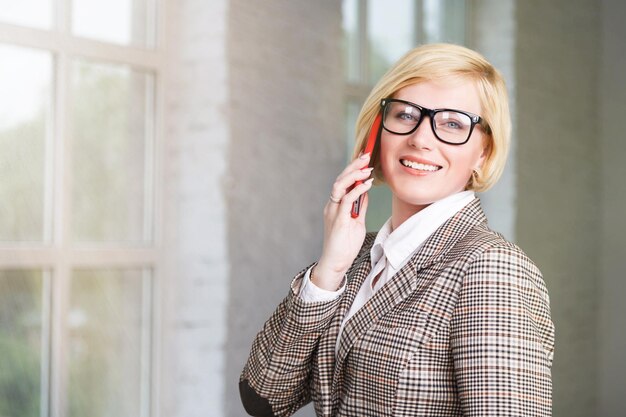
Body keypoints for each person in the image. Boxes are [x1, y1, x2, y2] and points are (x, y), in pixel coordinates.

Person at [239, 43, 555, 417]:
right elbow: (263, 398)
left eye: (453, 123)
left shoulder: (492, 270)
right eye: (405, 115)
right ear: (377, 131)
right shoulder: (358, 259)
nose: (421, 138)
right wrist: (328, 271)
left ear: (484, 152)